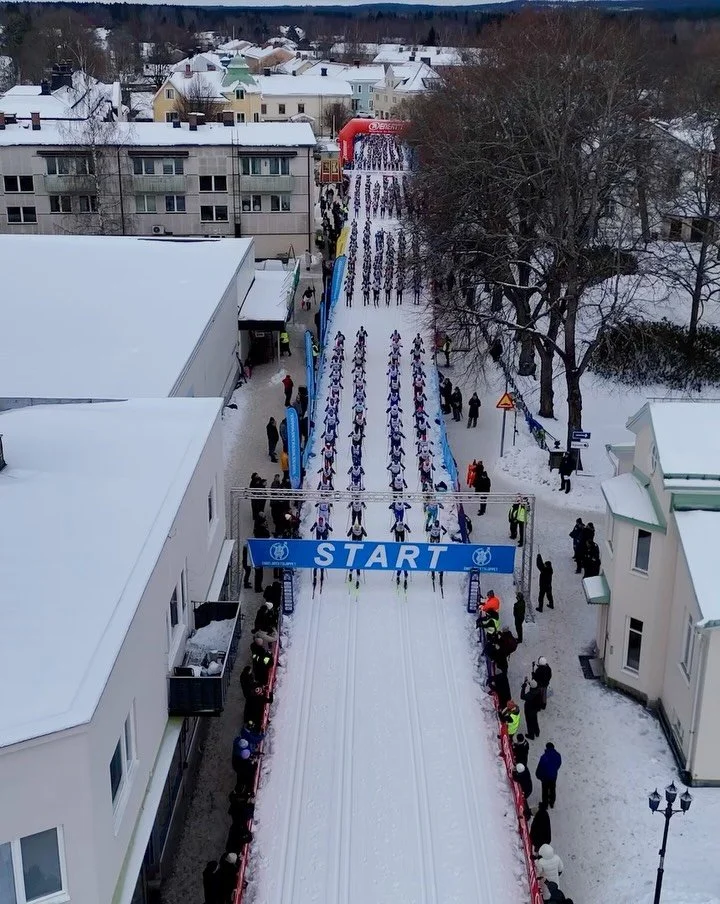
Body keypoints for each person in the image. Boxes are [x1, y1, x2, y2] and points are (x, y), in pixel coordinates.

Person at [535, 742, 562, 808]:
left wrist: (538, 775)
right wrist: (555, 769)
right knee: (552, 789)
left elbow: (540, 767)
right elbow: (559, 763)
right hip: (553, 776)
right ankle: (552, 802)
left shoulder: (544, 757)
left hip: (545, 777)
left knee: (545, 790)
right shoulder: (558, 755)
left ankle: (545, 804)